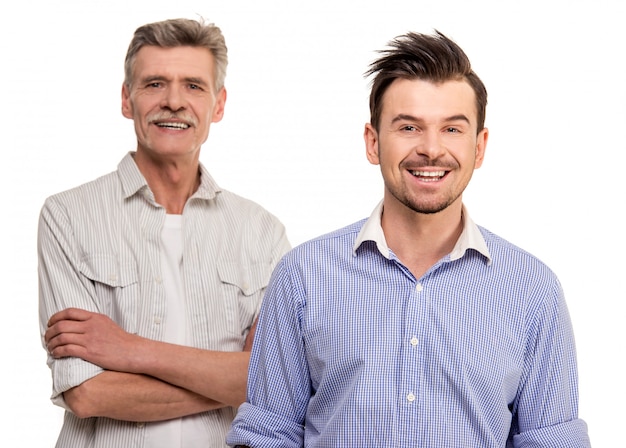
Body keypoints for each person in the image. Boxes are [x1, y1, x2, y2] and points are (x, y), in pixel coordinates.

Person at [226, 31, 591, 447]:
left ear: (480, 146)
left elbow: (553, 441)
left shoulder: (532, 288)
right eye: (409, 127)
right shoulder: (302, 275)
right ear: (373, 142)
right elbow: (269, 435)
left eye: (452, 128)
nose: (431, 149)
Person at [38, 18, 290, 448]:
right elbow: (86, 392)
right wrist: (229, 379)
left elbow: (275, 383)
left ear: (218, 105)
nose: (174, 101)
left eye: (194, 85)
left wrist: (128, 349)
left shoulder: (261, 232)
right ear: (126, 99)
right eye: (155, 83)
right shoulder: (68, 216)